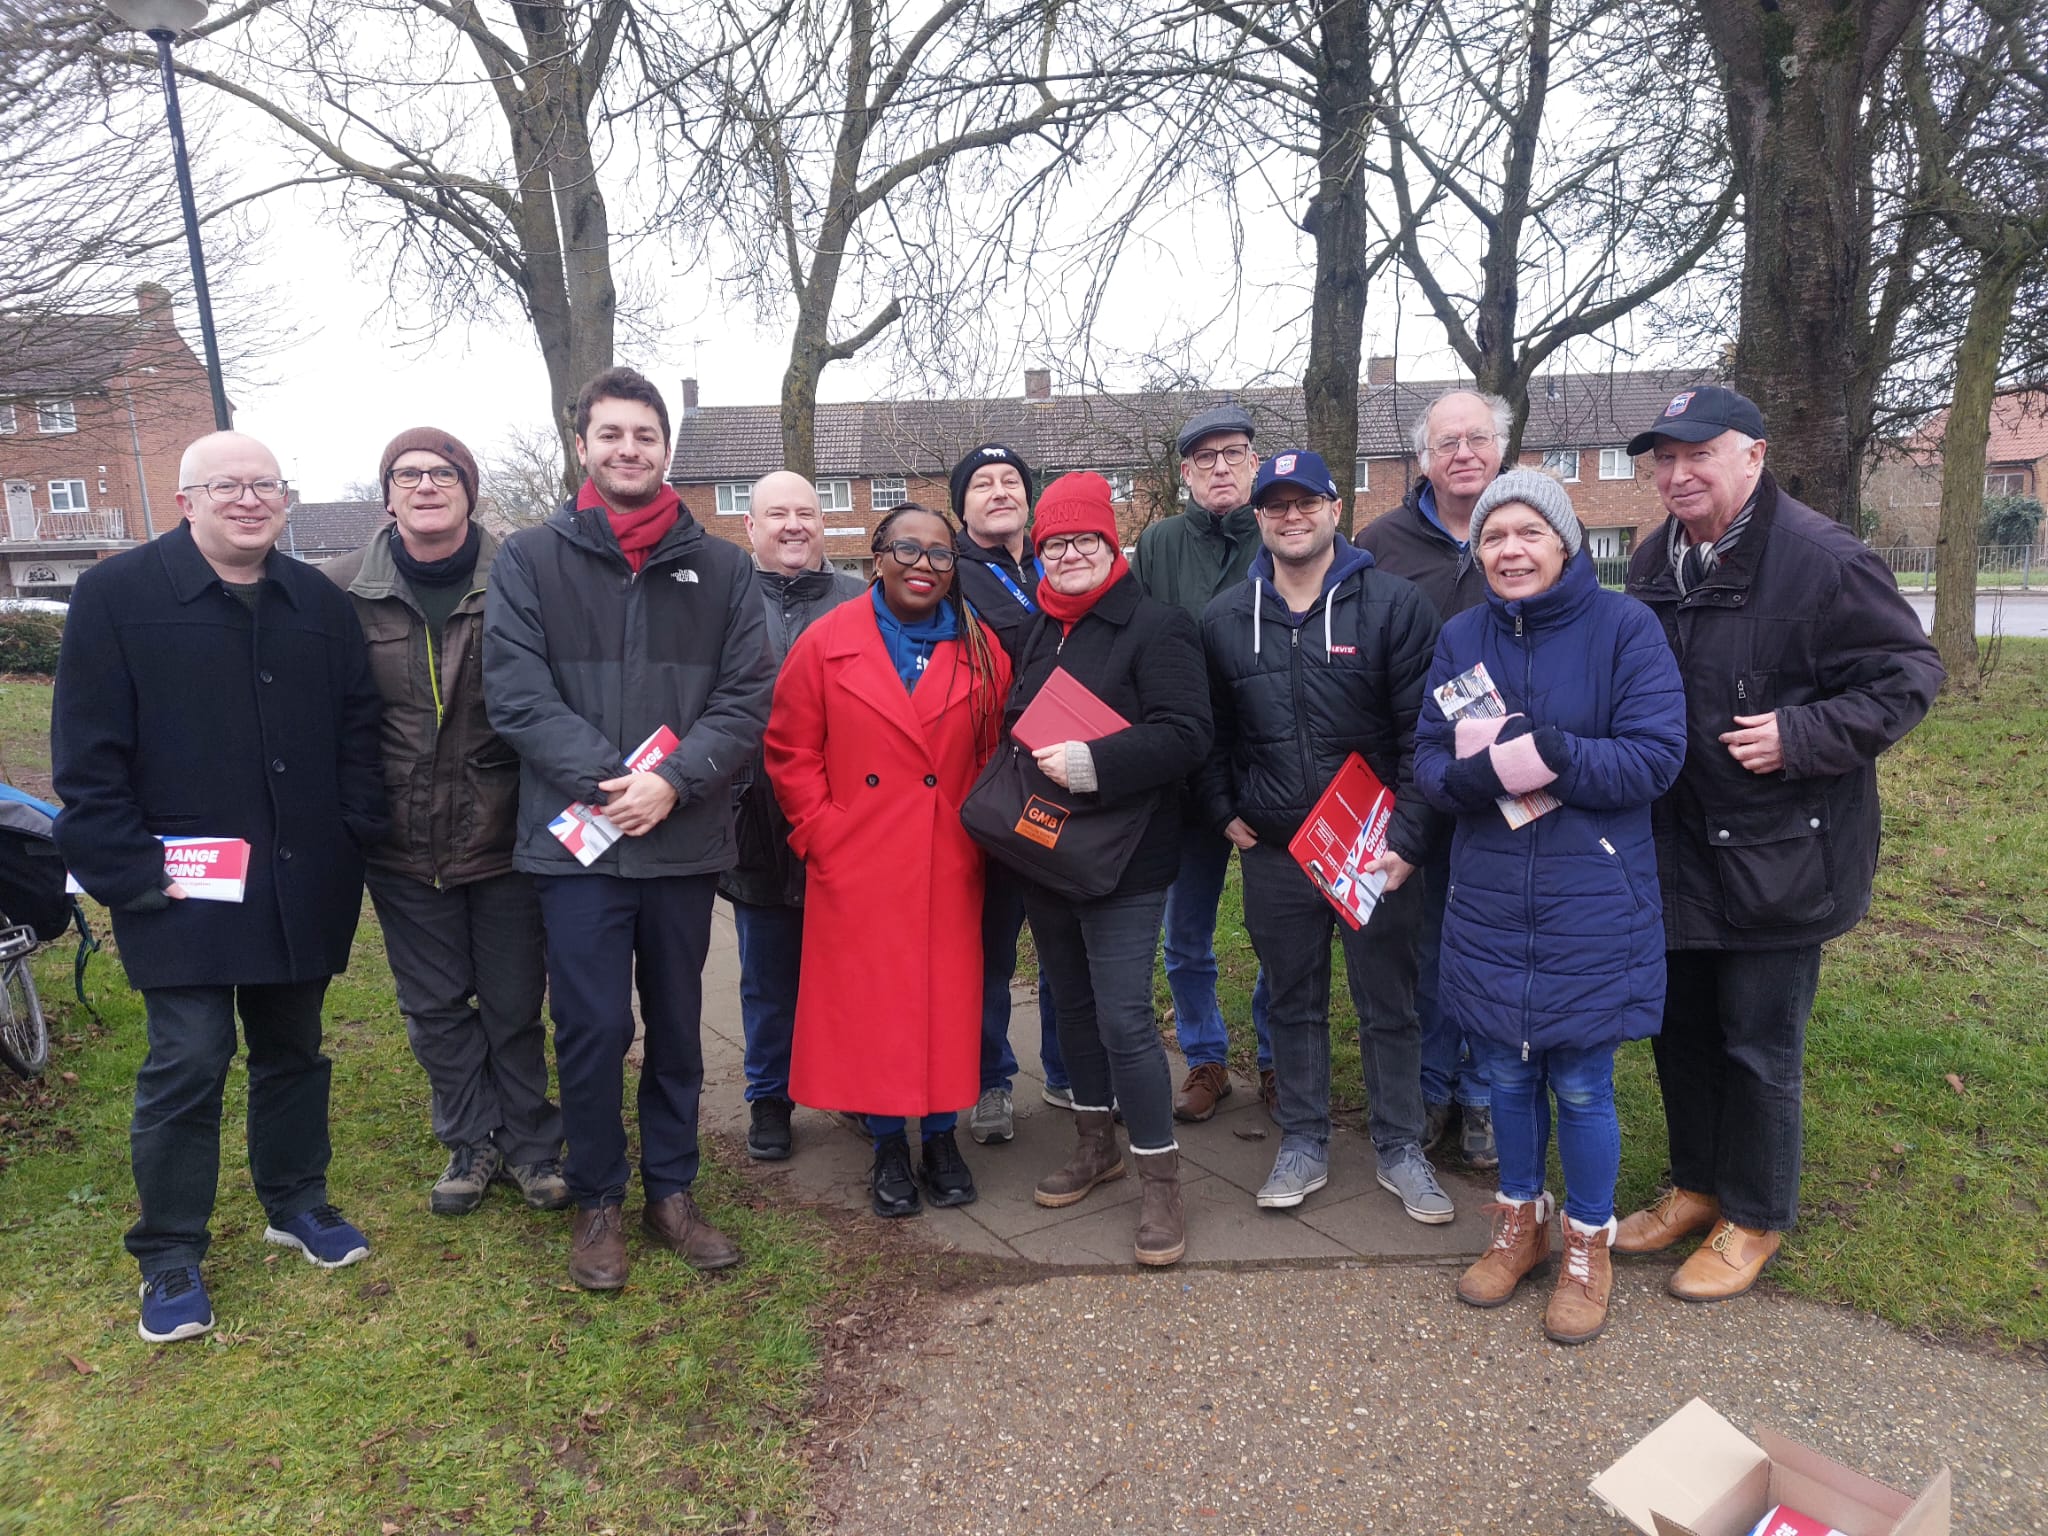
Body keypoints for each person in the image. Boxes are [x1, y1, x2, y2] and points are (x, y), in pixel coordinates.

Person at [53, 431, 386, 1343]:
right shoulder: (116, 597)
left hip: (297, 879)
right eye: (227, 486)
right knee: (189, 1060)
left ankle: (296, 1201)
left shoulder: (317, 601)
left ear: (285, 499)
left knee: (293, 1049)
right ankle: (168, 1253)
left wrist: (353, 834)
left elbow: (358, 734)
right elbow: (87, 756)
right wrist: (131, 872)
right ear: (186, 499)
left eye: (266, 485)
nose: (249, 500)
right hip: (177, 887)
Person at [1614, 385, 1943, 1301]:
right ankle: (1696, 1186)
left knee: (1758, 1044)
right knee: (1679, 1035)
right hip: (1673, 849)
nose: (1677, 475)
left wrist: (1802, 736)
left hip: (1779, 854)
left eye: (1698, 455)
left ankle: (1754, 1216)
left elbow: (1910, 674)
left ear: (1753, 456)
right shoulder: (1652, 561)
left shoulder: (1824, 561)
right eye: (1663, 459)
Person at [484, 367, 774, 1291]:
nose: (628, 449)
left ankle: (672, 1192)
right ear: (583, 445)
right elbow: (518, 698)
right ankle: (600, 1198)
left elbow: (744, 700)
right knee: (593, 1027)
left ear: (664, 449)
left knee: (681, 1026)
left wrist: (673, 784)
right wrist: (620, 785)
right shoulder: (529, 560)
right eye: (610, 434)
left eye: (644, 436)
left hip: (681, 842)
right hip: (578, 846)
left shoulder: (725, 569)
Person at [1414, 470, 1685, 1344]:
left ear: (1564, 542)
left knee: (1579, 1080)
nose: (1510, 550)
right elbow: (1428, 763)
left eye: (1529, 532)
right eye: (1494, 537)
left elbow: (1654, 761)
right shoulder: (1462, 637)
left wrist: (1553, 752)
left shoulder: (1625, 628)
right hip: (1490, 895)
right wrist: (1485, 772)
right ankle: (1518, 1226)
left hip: (1592, 898)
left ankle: (1586, 1245)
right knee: (1505, 1072)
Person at [1195, 448, 1452, 1223]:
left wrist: (1408, 838)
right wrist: (1220, 808)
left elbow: (1422, 734)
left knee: (1390, 1001)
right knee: (1292, 1002)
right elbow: (1208, 730)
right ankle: (1303, 1139)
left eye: (1306, 501)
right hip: (1277, 848)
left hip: (1374, 846)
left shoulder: (1395, 606)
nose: (1291, 515)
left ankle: (1400, 1146)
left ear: (1336, 509)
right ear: (1259, 518)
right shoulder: (1223, 618)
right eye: (1275, 505)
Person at [326, 428, 567, 1218]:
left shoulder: (524, 581)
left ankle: (534, 1147)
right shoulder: (339, 591)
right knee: (432, 1007)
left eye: (443, 474)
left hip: (504, 832)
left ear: (470, 491)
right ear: (387, 494)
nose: (426, 486)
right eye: (408, 474)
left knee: (510, 1002)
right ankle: (471, 1140)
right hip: (398, 841)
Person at [764, 504, 1012, 1219]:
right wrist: (822, 832)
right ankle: (885, 1145)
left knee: (944, 1002)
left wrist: (979, 832)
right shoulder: (825, 641)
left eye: (940, 555)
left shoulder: (982, 646)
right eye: (907, 548)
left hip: (947, 858)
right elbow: (789, 748)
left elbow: (997, 751)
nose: (923, 565)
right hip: (860, 859)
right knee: (875, 1007)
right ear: (877, 558)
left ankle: (939, 1137)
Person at [1005, 474, 1213, 1266]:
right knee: (1070, 1001)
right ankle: (1097, 1144)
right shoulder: (1038, 631)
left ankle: (1161, 1179)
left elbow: (1188, 734)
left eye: (1084, 539)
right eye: (1054, 543)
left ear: (1111, 544)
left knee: (1125, 1015)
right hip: (1047, 847)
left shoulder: (1157, 627)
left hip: (1126, 855)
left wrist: (1095, 761)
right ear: (1038, 554)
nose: (1069, 553)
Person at [1356, 389, 1511, 1169]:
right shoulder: (1379, 541)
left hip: (1509, 782)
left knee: (1488, 939)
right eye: (1446, 442)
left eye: (1476, 439)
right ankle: (1426, 1088)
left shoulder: (1527, 533)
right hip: (1410, 776)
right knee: (1419, 941)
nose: (1462, 454)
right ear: (1423, 459)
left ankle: (1482, 1095)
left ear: (1500, 448)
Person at [1130, 404, 1273, 1122]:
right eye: (1206, 457)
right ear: (1184, 472)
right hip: (1186, 770)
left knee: (1281, 928)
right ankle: (1207, 1057)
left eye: (1235, 452)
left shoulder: (1282, 531)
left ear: (1254, 460)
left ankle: (1277, 1060)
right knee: (1185, 932)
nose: (1222, 466)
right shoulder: (1157, 544)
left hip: (1272, 766)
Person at [717, 470, 866, 1162]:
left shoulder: (860, 600)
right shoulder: (722, 600)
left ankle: (857, 1088)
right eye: (777, 515)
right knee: (768, 972)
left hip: (846, 818)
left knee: (851, 971)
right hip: (755, 819)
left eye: (806, 513)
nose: (794, 526)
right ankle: (770, 1096)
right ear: (751, 527)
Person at [947, 443, 1068, 1145]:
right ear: (962, 506)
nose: (999, 492)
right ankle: (991, 1077)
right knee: (989, 948)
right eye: (982, 484)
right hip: (989, 790)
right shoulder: (950, 575)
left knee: (1062, 940)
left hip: (1062, 784)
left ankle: (1066, 1067)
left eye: (1011, 481)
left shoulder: (1063, 561)